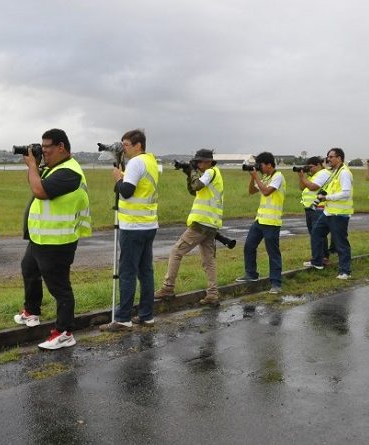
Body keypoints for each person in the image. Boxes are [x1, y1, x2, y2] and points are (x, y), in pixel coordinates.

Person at [13, 129, 91, 349]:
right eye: (42, 147)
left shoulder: (70, 172)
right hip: (41, 238)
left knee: (59, 288)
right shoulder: (54, 168)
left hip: (57, 241)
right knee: (28, 270)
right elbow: (36, 182)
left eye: (46, 147)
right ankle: (32, 312)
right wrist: (35, 166)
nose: (43, 151)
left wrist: (31, 167)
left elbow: (39, 190)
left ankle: (65, 332)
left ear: (61, 147)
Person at [100, 129, 159, 331]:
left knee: (127, 272)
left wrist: (118, 178)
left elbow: (126, 191)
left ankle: (123, 318)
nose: (123, 148)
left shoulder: (135, 162)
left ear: (138, 145)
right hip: (148, 224)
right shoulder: (150, 161)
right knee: (146, 271)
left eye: (126, 145)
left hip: (133, 226)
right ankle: (147, 315)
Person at [155, 149, 223, 306]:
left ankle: (168, 287)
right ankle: (212, 294)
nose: (197, 164)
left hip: (202, 223)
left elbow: (197, 185)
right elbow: (193, 190)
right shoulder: (213, 174)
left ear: (207, 161)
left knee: (176, 251)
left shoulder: (211, 172)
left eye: (199, 162)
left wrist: (192, 171)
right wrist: (188, 173)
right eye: (196, 162)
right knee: (208, 260)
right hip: (210, 223)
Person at [236, 152, 285, 293]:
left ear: (269, 164)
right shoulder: (265, 177)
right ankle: (251, 274)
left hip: (272, 221)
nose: (259, 167)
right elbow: (252, 191)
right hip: (260, 220)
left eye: (261, 165)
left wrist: (256, 177)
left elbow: (266, 192)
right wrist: (253, 178)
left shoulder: (278, 176)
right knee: (249, 246)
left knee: (273, 253)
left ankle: (276, 283)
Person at [304, 147, 354, 280]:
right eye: (328, 157)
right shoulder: (334, 172)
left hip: (339, 214)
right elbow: (327, 189)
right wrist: (321, 197)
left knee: (340, 243)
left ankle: (345, 271)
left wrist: (327, 198)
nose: (328, 159)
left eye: (331, 157)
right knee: (316, 233)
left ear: (339, 158)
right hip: (328, 213)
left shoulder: (344, 173)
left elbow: (345, 193)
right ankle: (317, 261)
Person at [297, 156, 332, 264]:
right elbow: (302, 188)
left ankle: (320, 258)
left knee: (317, 234)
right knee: (315, 234)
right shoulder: (314, 175)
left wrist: (303, 177)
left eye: (311, 167)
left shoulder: (323, 173)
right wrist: (301, 176)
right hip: (310, 208)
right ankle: (321, 257)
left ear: (318, 165)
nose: (309, 169)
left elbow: (313, 187)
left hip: (318, 208)